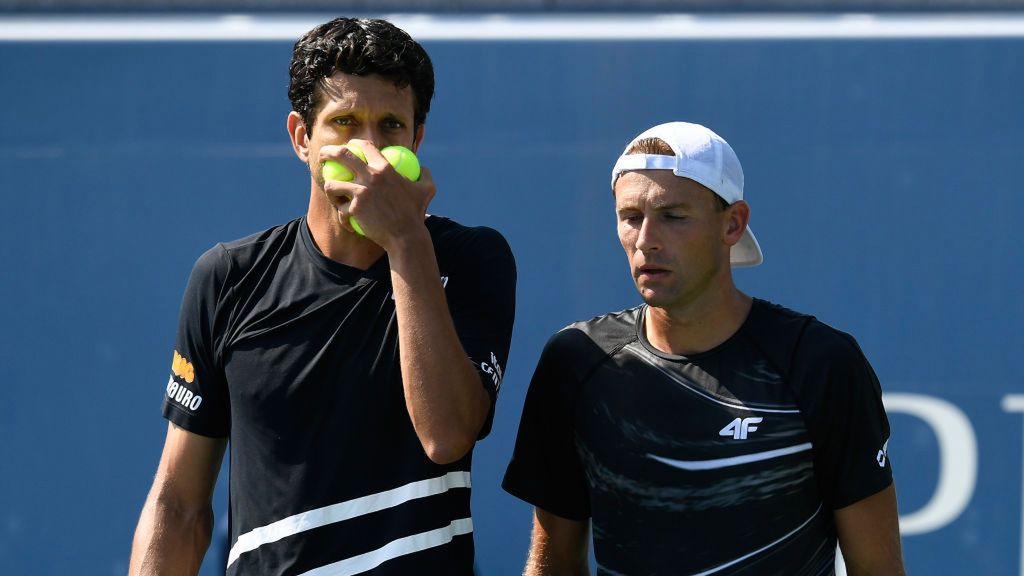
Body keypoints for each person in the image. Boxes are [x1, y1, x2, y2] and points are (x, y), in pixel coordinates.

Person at [129, 17, 516, 576]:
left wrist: (406, 239)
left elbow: (447, 435)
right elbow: (179, 505)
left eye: (390, 125)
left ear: (417, 139)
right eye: (345, 123)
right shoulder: (226, 278)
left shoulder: (472, 259)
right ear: (302, 138)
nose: (370, 150)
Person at [502, 121, 904, 575]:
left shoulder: (820, 362)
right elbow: (552, 564)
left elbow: (878, 568)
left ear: (732, 224)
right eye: (631, 217)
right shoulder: (576, 360)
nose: (646, 240)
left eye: (673, 216)